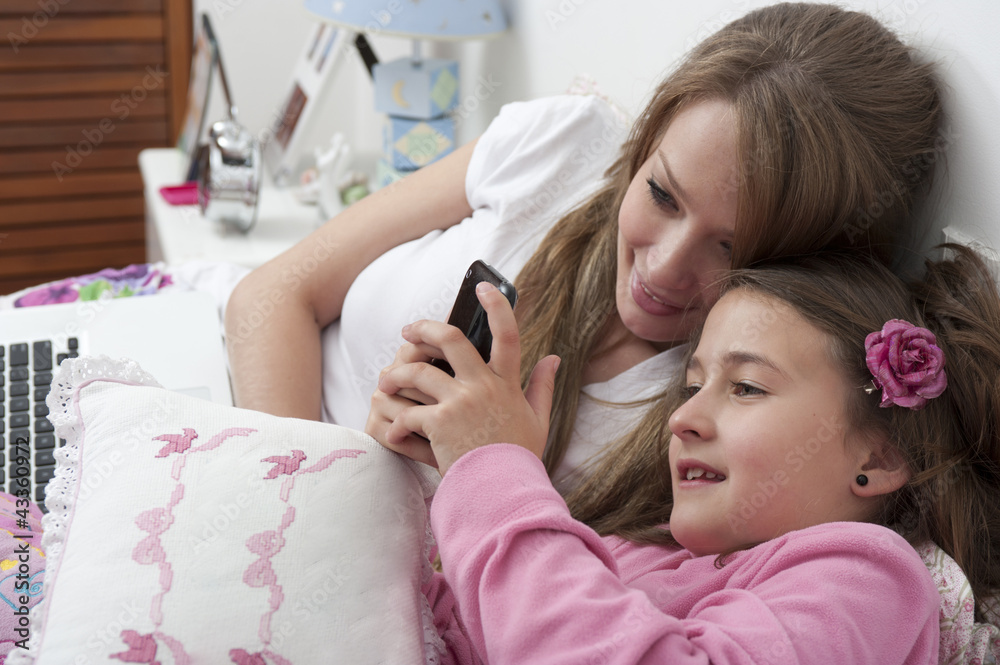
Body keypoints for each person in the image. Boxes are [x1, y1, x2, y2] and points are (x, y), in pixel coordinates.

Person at [225, 2, 942, 487]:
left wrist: (474, 473)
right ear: (643, 148)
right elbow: (271, 294)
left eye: (732, 250)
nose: (662, 269)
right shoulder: (565, 144)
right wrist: (300, 500)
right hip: (253, 451)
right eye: (662, 193)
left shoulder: (735, 415)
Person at [376, 245, 999, 663]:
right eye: (692, 386)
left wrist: (497, 474)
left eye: (747, 387)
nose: (681, 418)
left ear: (881, 457)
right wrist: (418, 485)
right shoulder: (631, 552)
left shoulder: (869, 580)